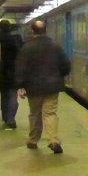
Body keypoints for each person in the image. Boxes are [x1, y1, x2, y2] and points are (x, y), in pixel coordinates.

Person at [15, 20, 71, 154]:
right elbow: (66, 66)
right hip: (52, 87)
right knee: (50, 113)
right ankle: (54, 141)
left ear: (32, 31)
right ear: (46, 30)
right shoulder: (55, 46)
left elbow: (20, 68)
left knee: (35, 114)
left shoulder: (26, 47)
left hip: (33, 87)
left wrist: (20, 85)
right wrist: (58, 77)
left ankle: (33, 140)